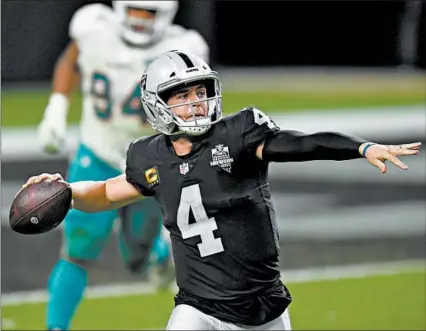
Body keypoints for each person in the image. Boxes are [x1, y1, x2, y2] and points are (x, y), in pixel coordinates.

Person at [27, 50, 421, 330]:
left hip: (261, 307)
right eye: (181, 96)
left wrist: (361, 147)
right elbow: (106, 193)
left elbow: (301, 143)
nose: (196, 103)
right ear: (157, 105)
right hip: (197, 308)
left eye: (200, 92)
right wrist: (64, 190)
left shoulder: (238, 135)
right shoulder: (148, 157)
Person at [36, 2, 210, 330]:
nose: (140, 19)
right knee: (79, 248)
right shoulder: (95, 28)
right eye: (135, 9)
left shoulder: (185, 46)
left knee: (136, 257)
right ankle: (55, 327)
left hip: (148, 160)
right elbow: (73, 57)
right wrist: (57, 105)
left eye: (149, 12)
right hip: (98, 153)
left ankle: (158, 254)